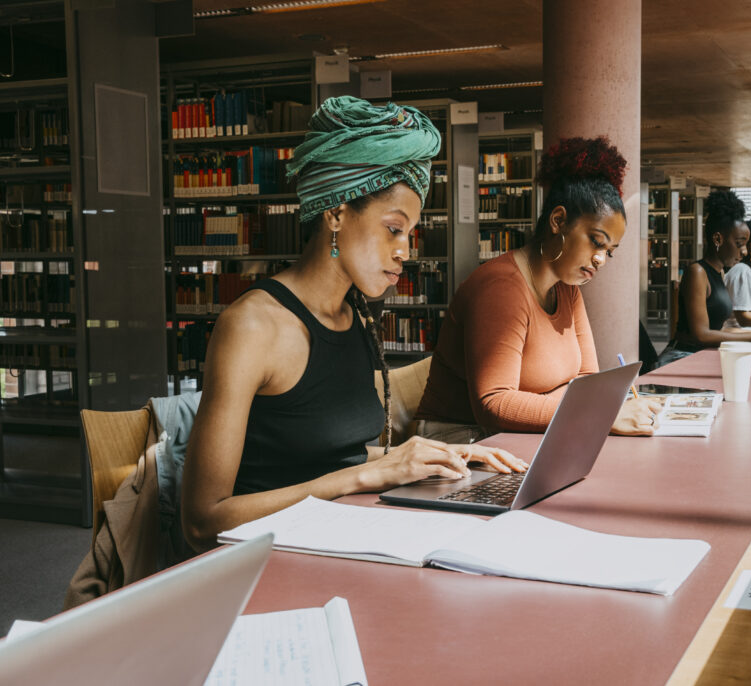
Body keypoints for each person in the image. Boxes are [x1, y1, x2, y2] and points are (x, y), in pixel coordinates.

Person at [181, 96, 525, 551]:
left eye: (411, 234)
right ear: (337, 213)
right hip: (264, 561)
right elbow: (203, 521)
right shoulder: (252, 327)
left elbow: (328, 453)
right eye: (393, 228)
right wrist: (362, 475)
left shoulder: (354, 314)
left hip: (340, 537)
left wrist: (426, 457)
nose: (406, 250)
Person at [415, 137, 661, 439]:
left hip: (521, 435)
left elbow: (586, 379)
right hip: (459, 440)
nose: (601, 260)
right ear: (558, 220)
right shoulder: (501, 289)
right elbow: (495, 404)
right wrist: (596, 413)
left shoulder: (567, 287)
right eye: (596, 242)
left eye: (609, 251)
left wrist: (575, 405)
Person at [657, 191, 751, 368]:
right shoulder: (697, 272)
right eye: (739, 244)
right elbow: (701, 335)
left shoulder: (719, 273)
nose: (744, 252)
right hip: (681, 357)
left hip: (703, 354)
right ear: (718, 239)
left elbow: (718, 330)